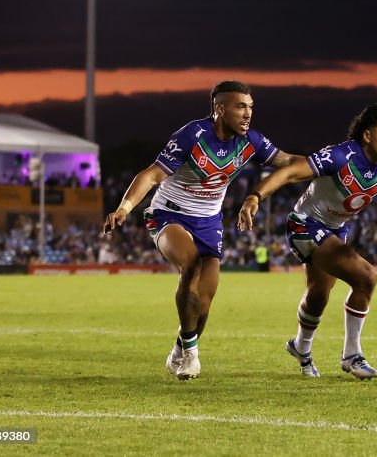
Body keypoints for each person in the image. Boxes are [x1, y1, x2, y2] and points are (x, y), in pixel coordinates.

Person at [237, 103, 377, 380]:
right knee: (365, 276)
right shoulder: (340, 155)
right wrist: (254, 197)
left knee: (318, 295)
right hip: (305, 225)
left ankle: (300, 347)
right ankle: (352, 356)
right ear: (367, 136)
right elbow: (289, 172)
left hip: (335, 229)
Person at [103, 81, 297, 381]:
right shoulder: (192, 135)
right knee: (189, 264)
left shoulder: (252, 142)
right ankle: (192, 355)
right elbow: (152, 173)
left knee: (204, 302)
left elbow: (288, 161)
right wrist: (124, 209)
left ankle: (182, 347)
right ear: (220, 109)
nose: (248, 114)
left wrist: (328, 164)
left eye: (250, 107)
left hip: (209, 222)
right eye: (240, 106)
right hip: (169, 214)